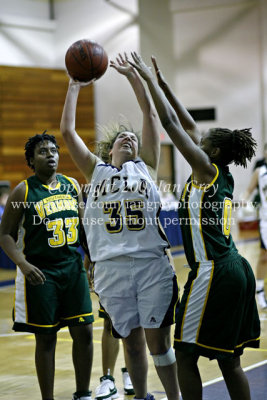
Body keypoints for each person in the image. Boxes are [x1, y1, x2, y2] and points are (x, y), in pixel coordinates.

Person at [129, 52, 261, 400]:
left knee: (186, 354)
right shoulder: (220, 173)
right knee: (229, 361)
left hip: (214, 271)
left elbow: (172, 125)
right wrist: (162, 83)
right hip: (233, 268)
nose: (195, 141)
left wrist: (146, 81)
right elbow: (186, 124)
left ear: (212, 152)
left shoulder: (206, 170)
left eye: (201, 143)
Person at [60, 54, 180, 400]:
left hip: (150, 265)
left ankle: (175, 397)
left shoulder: (147, 167)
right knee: (131, 341)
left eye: (133, 138)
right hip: (110, 268)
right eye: (121, 138)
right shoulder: (94, 171)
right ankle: (142, 396)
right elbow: (67, 131)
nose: (128, 139)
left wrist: (134, 79)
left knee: (158, 342)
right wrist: (74, 85)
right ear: (109, 148)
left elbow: (151, 116)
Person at [0, 132, 94, 400]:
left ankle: (83, 392)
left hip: (72, 267)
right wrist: (22, 263)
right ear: (31, 160)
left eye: (53, 150)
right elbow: (5, 234)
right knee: (46, 338)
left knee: (85, 331)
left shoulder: (72, 185)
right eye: (43, 151)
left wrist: (93, 258)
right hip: (41, 272)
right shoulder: (23, 191)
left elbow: (84, 227)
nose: (50, 155)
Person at [84, 255, 135, 399]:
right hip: (107, 268)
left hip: (134, 264)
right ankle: (108, 378)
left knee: (133, 323)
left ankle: (131, 372)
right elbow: (90, 239)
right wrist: (86, 267)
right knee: (109, 322)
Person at [243, 143, 267, 309]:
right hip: (266, 220)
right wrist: (243, 201)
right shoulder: (260, 172)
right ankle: (259, 291)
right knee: (264, 256)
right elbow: (248, 190)